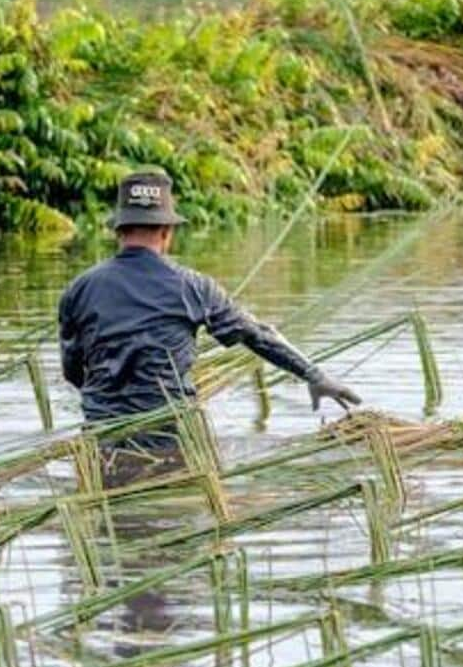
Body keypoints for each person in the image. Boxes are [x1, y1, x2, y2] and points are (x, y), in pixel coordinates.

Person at [58, 169, 362, 480]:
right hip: (172, 447)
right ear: (166, 231)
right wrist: (314, 376)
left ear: (118, 231)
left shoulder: (78, 291)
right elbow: (257, 335)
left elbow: (73, 373)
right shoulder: (193, 287)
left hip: (104, 449)